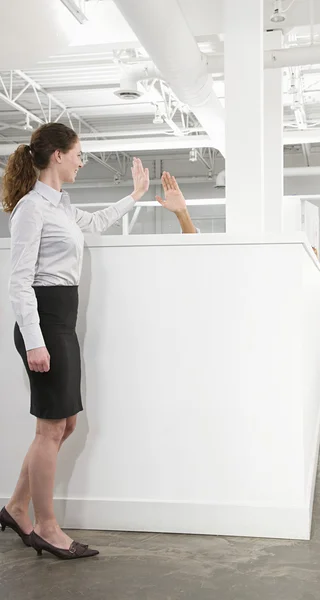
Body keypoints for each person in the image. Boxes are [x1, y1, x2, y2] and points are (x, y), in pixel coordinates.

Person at [0, 122, 197, 560]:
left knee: (63, 425)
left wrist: (135, 195)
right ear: (57, 156)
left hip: (61, 321)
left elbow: (97, 222)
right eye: (78, 153)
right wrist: (34, 341)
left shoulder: (61, 205)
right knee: (51, 428)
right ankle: (47, 528)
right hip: (45, 322)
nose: (82, 160)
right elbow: (19, 284)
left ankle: (15, 507)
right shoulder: (31, 209)